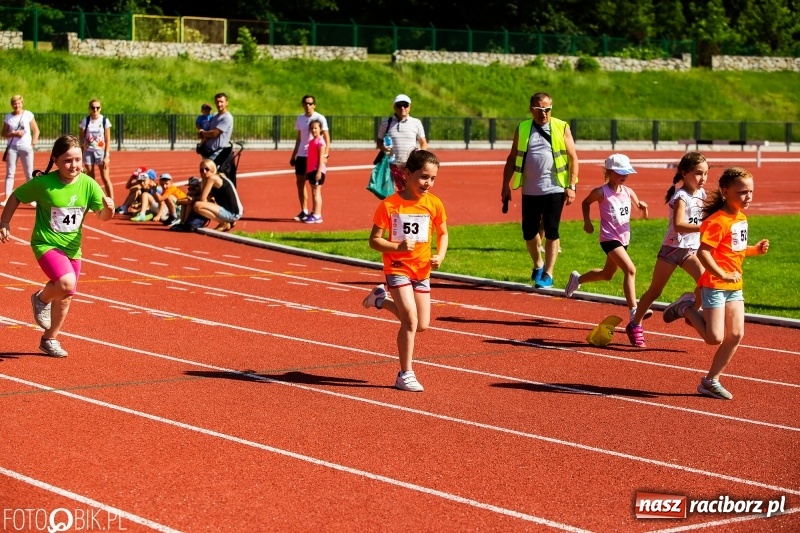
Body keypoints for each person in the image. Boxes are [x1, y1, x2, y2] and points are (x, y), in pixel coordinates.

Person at [0, 134, 114, 357]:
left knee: (67, 294)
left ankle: (49, 339)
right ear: (56, 160)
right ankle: (41, 298)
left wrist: (109, 208)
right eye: (68, 160)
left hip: (73, 247)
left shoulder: (89, 184)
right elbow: (16, 196)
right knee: (65, 282)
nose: (74, 165)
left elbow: (102, 217)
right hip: (46, 243)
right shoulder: (44, 184)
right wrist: (4, 222)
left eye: (78, 160)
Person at [662, 167, 769, 400]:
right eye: (742, 192)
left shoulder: (740, 218)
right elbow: (704, 253)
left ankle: (710, 381)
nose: (748, 196)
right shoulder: (717, 221)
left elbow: (735, 250)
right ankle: (686, 308)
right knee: (714, 338)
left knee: (736, 334)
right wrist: (722, 274)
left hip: (734, 285)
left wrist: (755, 250)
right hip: (714, 284)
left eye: (750, 191)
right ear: (725, 191)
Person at [362, 149, 448, 392]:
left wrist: (439, 255)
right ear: (408, 174)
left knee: (422, 325)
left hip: (422, 272)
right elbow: (374, 241)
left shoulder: (434, 204)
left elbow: (443, 233)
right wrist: (396, 246)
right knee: (410, 319)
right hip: (397, 268)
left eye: (432, 178)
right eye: (423, 177)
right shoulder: (389, 205)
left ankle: (380, 300)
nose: (428, 183)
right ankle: (405, 374)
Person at [625, 152, 708, 346]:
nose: (703, 178)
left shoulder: (702, 194)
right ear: (685, 173)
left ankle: (689, 309)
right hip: (672, 249)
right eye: (698, 173)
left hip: (690, 250)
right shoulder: (681, 197)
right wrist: (703, 227)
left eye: (706, 174)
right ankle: (635, 324)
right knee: (655, 291)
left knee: (705, 282)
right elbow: (679, 225)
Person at [501, 92, 579, 288]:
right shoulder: (523, 127)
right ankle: (538, 263)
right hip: (530, 189)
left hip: (555, 187)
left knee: (552, 230)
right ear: (531, 109)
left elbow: (573, 158)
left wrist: (571, 186)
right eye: (539, 109)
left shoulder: (561, 127)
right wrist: (505, 186)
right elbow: (512, 158)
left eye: (547, 109)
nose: (544, 113)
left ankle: (548, 273)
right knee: (529, 232)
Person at [564, 154, 649, 325]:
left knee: (607, 274)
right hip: (609, 239)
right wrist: (587, 221)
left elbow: (642, 215)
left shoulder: (628, 192)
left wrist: (644, 209)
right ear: (609, 172)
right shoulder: (600, 192)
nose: (624, 176)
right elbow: (585, 203)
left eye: (626, 173)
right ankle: (634, 310)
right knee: (630, 270)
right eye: (620, 173)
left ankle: (577, 280)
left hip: (624, 239)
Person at [289, 95, 330, 221]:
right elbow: (299, 138)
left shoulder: (320, 118)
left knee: (314, 186)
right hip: (301, 155)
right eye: (305, 103)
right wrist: (293, 155)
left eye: (310, 103)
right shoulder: (300, 119)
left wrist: (325, 155)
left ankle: (315, 213)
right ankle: (304, 210)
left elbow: (327, 138)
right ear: (302, 105)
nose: (308, 106)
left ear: (314, 105)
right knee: (300, 183)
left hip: (314, 156)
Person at [2, 95, 40, 207]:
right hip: (12, 147)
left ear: (22, 103)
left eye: (19, 103)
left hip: (26, 147)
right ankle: (7, 198)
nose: (17, 106)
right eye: (14, 103)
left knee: (29, 173)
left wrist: (33, 143)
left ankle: (31, 199)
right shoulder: (9, 117)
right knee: (10, 173)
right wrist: (13, 134)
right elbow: (3, 133)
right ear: (12, 104)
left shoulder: (28, 114)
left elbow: (36, 130)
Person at [376, 94, 427, 171]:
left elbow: (423, 143)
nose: (402, 108)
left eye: (405, 105)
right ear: (394, 107)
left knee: (410, 183)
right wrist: (385, 150)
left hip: (410, 166)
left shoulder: (416, 123)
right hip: (391, 166)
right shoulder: (386, 122)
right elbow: (379, 142)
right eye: (399, 105)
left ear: (410, 107)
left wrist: (419, 157)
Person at [193, 158, 243, 232]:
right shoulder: (219, 176)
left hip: (233, 213)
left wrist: (193, 199)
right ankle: (229, 222)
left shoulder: (212, 178)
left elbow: (202, 199)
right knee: (200, 204)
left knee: (197, 205)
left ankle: (223, 223)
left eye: (207, 169)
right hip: (235, 211)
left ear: (212, 168)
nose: (204, 172)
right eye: (201, 170)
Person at [79, 99, 114, 201]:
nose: (95, 110)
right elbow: (81, 137)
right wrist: (81, 149)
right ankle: (93, 201)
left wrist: (107, 156)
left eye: (97, 107)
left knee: (105, 178)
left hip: (100, 152)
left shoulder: (104, 121)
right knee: (91, 178)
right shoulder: (86, 121)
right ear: (89, 108)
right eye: (93, 107)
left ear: (100, 108)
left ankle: (111, 201)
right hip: (88, 151)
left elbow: (108, 139)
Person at [196, 93, 234, 167]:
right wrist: (200, 130)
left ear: (226, 102)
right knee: (205, 174)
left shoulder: (227, 117)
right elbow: (203, 124)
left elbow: (214, 133)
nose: (219, 104)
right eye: (217, 102)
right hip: (207, 151)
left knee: (212, 175)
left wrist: (202, 133)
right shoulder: (214, 115)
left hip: (217, 153)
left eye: (221, 102)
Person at [302, 119, 327, 224]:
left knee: (317, 192)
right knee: (313, 192)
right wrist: (307, 173)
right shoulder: (312, 142)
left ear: (320, 129)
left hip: (318, 170)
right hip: (311, 170)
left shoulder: (320, 142)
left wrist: (319, 171)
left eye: (316, 128)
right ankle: (314, 212)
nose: (313, 130)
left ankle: (317, 215)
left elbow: (321, 158)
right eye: (311, 128)